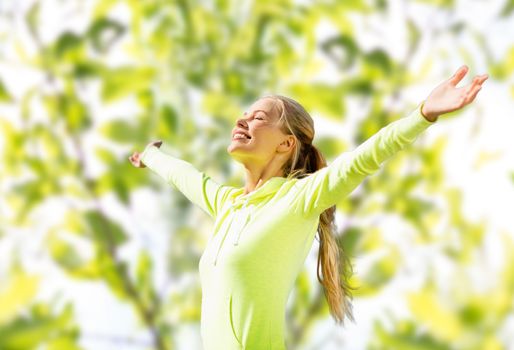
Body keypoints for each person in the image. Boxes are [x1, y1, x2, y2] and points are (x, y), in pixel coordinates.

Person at [129, 65, 487, 349]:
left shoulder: (300, 199)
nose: (242, 120)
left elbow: (364, 158)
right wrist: (151, 155)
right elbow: (185, 176)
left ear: (286, 144)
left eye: (258, 117)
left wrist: (423, 114)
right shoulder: (227, 205)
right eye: (244, 114)